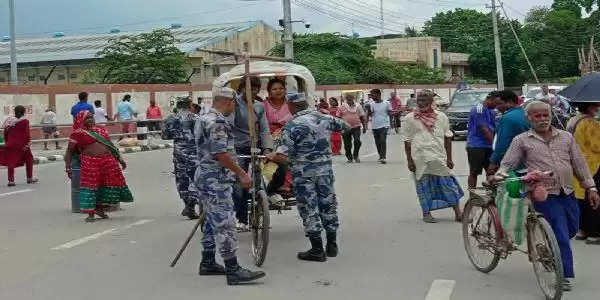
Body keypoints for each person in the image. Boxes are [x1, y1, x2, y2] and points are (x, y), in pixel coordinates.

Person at [496, 100, 600, 291]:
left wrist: (591, 188)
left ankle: (549, 249)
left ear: (551, 116)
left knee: (571, 228)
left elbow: (579, 164)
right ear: (529, 118)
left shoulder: (566, 137)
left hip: (567, 191)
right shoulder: (522, 140)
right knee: (560, 234)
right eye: (538, 116)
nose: (543, 119)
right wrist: (501, 173)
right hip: (543, 194)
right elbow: (508, 163)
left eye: (546, 115)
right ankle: (564, 275)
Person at [193, 87, 266, 285]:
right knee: (225, 223)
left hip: (204, 176)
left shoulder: (203, 117)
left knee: (209, 220)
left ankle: (207, 261)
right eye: (234, 103)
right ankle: (233, 269)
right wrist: (242, 173)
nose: (234, 107)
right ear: (229, 101)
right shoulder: (217, 121)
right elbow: (221, 154)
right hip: (216, 179)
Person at [266, 93, 349, 262]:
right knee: (328, 204)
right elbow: (346, 126)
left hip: (304, 174)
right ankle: (332, 245)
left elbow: (282, 156)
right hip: (325, 171)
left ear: (291, 106)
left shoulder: (291, 126)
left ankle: (317, 250)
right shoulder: (325, 118)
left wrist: (272, 156)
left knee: (309, 208)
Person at [403, 91, 463, 223]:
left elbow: (448, 137)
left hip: (438, 156)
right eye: (419, 100)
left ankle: (458, 213)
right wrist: (409, 161)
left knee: (449, 185)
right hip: (420, 158)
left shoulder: (441, 116)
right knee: (423, 187)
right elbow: (407, 141)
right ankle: (426, 213)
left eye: (425, 100)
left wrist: (449, 158)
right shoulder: (409, 118)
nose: (421, 102)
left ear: (431, 101)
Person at [64, 111, 133, 222]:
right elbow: (69, 152)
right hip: (90, 163)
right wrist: (68, 167)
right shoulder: (77, 134)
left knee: (106, 186)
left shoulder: (101, 130)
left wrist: (120, 159)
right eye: (87, 118)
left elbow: (111, 146)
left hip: (108, 161)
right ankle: (91, 213)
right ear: (81, 120)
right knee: (91, 187)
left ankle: (100, 209)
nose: (91, 120)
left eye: (92, 117)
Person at [229, 76, 274, 231]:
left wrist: (268, 148)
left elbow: (264, 128)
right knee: (240, 183)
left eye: (255, 88)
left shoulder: (260, 106)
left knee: (259, 180)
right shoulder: (233, 103)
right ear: (241, 88)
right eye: (250, 88)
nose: (253, 91)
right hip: (238, 147)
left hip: (256, 147)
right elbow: (228, 124)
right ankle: (241, 218)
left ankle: (260, 211)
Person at [566, 102, 600, 245]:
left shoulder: (573, 119)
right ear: (590, 106)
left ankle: (581, 230)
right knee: (594, 200)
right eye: (596, 105)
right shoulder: (590, 123)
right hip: (593, 165)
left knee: (581, 199)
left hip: (576, 163)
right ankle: (594, 233)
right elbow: (596, 146)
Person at [162, 98, 200, 220]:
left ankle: (188, 205)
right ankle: (191, 204)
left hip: (179, 152)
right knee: (195, 178)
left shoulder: (170, 118)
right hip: (194, 152)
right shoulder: (196, 118)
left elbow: (165, 135)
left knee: (182, 179)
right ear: (190, 105)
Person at [263, 78, 294, 205]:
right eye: (274, 89)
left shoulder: (291, 103)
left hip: (289, 136)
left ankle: (289, 185)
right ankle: (271, 187)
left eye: (281, 88)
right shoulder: (263, 105)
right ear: (269, 91)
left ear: (285, 90)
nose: (278, 91)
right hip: (267, 137)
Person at [488, 90, 530, 174]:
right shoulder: (524, 114)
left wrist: (493, 163)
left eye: (499, 104)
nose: (497, 108)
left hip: (514, 164)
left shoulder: (507, 118)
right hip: (529, 161)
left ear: (510, 102)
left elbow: (502, 144)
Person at [466, 92, 499, 188]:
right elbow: (484, 130)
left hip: (489, 145)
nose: (496, 106)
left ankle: (492, 195)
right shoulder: (479, 109)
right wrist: (495, 146)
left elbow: (495, 129)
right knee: (474, 172)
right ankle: (472, 196)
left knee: (491, 171)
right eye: (495, 103)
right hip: (477, 146)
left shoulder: (492, 111)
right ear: (490, 99)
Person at [0, 106, 37, 186]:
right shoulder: (25, 121)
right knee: (29, 159)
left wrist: (8, 142)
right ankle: (29, 178)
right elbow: (26, 133)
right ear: (23, 112)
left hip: (10, 144)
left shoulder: (9, 121)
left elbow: (5, 133)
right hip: (22, 145)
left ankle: (11, 181)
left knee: (11, 162)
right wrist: (28, 143)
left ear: (15, 112)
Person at [337, 94, 367, 163]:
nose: (349, 100)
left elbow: (362, 116)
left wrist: (365, 126)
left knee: (357, 141)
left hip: (356, 127)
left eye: (350, 98)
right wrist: (339, 127)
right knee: (347, 144)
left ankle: (355, 155)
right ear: (346, 99)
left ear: (353, 98)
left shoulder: (358, 106)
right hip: (345, 128)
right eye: (348, 98)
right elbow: (338, 117)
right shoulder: (342, 107)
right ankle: (349, 157)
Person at [367, 89, 392, 164]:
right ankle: (380, 156)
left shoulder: (387, 103)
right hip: (375, 125)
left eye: (373, 94)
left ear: (378, 94)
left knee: (382, 140)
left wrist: (391, 124)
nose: (371, 96)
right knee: (377, 142)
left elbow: (389, 113)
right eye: (371, 95)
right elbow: (370, 114)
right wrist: (368, 109)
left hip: (384, 124)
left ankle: (383, 157)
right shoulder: (371, 104)